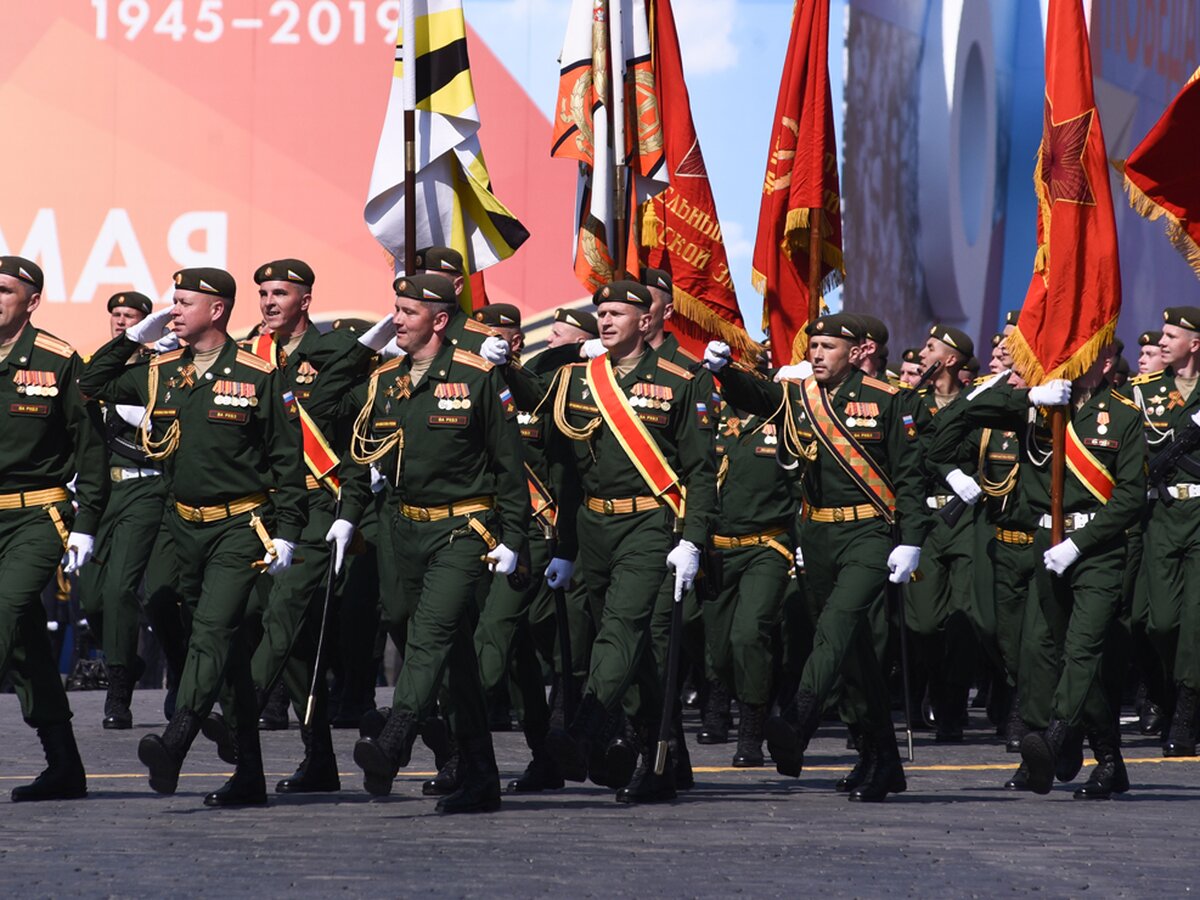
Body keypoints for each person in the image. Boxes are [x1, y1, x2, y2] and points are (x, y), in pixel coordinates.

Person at [79, 266, 309, 808]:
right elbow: (91, 385)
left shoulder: (257, 374)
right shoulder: (161, 372)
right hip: (183, 526)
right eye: (173, 302)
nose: (174, 311)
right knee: (217, 646)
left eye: (184, 302)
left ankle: (178, 738)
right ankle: (249, 776)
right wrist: (134, 337)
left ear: (218, 309)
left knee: (211, 628)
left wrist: (290, 533)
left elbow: (287, 457)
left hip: (239, 526)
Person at [705, 313, 929, 802]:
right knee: (853, 656)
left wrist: (911, 539)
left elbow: (910, 476)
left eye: (828, 346)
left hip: (869, 531)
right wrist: (726, 372)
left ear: (856, 352)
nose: (818, 354)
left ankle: (799, 721)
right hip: (818, 533)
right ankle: (881, 759)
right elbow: (754, 397)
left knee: (837, 627)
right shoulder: (798, 398)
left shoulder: (891, 401)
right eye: (814, 346)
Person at [342, 274, 529, 814]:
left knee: (431, 634)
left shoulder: (476, 377)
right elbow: (328, 399)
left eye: (406, 312)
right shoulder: (385, 379)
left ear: (440, 320)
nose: (396, 319)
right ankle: (481, 775)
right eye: (394, 309)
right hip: (403, 530)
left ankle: (396, 738)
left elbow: (509, 466)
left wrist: (515, 537)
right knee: (448, 652)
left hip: (461, 529)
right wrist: (366, 345)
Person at [937, 344, 1146, 797]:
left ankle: (1053, 741)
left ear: (1104, 362)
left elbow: (1130, 497)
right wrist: (1026, 398)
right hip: (1044, 544)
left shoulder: (1125, 416)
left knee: (1082, 649)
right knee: (1039, 653)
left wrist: (1080, 543)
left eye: (1079, 352)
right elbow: (946, 427)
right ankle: (1107, 759)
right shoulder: (1038, 408)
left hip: (1098, 550)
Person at [538, 279, 717, 804]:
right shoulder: (579, 375)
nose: (607, 321)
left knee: (623, 629)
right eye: (601, 313)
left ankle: (587, 727)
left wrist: (694, 539)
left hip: (650, 524)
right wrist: (567, 547)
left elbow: (700, 470)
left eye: (617, 313)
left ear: (646, 321)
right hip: (594, 526)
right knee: (632, 651)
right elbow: (559, 459)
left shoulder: (683, 378)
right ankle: (658, 761)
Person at [0, 256, 107, 802]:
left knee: (8, 609)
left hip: (34, 514)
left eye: (3, 290)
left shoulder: (59, 361)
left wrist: (86, 524)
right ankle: (64, 763)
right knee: (23, 644)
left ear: (32, 300)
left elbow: (91, 451)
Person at [77, 291, 169, 729]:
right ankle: (124, 661)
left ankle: (118, 692)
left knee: (120, 590)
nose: (120, 322)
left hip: (145, 487)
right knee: (92, 595)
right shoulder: (98, 366)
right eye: (116, 315)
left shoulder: (160, 367)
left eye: (130, 316)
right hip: (102, 492)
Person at [704, 385, 799, 766]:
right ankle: (730, 700)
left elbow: (803, 482)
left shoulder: (782, 423)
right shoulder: (711, 419)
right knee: (720, 650)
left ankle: (751, 731)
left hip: (766, 546)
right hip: (717, 549)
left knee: (749, 634)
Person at [908, 325, 987, 743]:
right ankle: (931, 690)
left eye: (931, 347)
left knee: (963, 618)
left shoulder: (976, 405)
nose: (923, 352)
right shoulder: (912, 403)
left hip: (967, 521)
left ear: (952, 360)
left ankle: (952, 708)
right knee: (923, 622)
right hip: (925, 519)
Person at [1141, 308, 1200, 756]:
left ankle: (1186, 713)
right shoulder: (1144, 394)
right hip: (1162, 513)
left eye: (1170, 335)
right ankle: (1166, 689)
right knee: (1161, 622)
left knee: (1196, 622)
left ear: (1194, 344)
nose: (1162, 342)